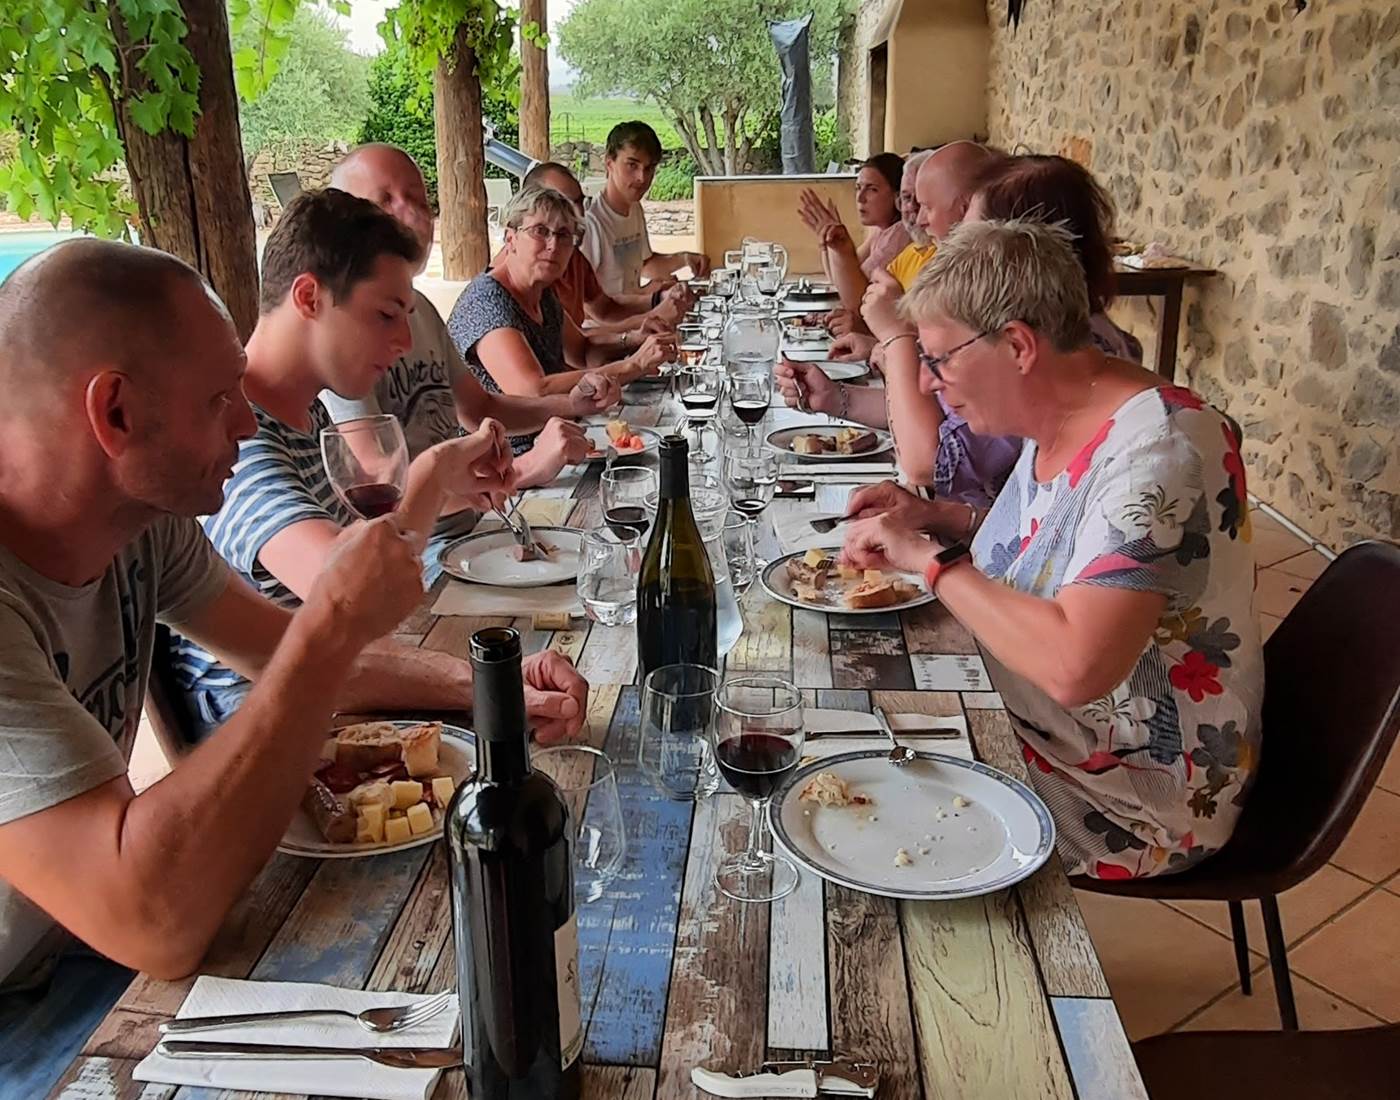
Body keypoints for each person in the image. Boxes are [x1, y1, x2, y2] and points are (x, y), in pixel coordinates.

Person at [0, 239, 586, 1015]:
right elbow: (155, 924)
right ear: (115, 412)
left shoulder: (141, 524)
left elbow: (287, 654)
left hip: (87, 952)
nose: (247, 424)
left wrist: (488, 686)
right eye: (218, 400)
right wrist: (332, 625)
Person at [842, 219, 1261, 879]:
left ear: (1016, 345)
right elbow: (1051, 546)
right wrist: (937, 516)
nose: (927, 384)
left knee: (869, 810)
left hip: (1135, 793)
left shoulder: (1160, 451)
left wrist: (932, 561)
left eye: (939, 359)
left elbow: (1076, 667)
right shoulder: (1062, 404)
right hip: (1044, 718)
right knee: (849, 717)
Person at [170, 189, 588, 736]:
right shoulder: (241, 446)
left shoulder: (311, 418)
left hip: (346, 701)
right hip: (282, 751)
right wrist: (432, 475)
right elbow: (353, 597)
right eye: (387, 315)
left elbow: (343, 646)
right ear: (309, 298)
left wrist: (490, 679)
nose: (404, 341)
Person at [324, 144, 620, 532]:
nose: (410, 213)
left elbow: (479, 406)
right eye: (385, 199)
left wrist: (571, 403)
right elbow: (379, 487)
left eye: (417, 198)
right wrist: (523, 468)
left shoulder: (422, 309)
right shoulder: (338, 330)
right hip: (422, 546)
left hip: (480, 520)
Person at [778, 142, 1018, 504]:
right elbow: (940, 413)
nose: (917, 217)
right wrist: (836, 398)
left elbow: (930, 461)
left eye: (924, 204)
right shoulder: (941, 269)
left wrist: (896, 340)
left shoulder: (999, 315)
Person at [448, 187, 673, 443]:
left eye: (564, 235)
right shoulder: (486, 302)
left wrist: (635, 339)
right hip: (501, 459)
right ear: (510, 238)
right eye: (540, 231)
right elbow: (532, 391)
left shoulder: (541, 292)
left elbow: (583, 350)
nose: (553, 245)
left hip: (554, 438)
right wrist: (632, 366)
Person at [965, 153, 1143, 362]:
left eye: (970, 236)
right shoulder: (1053, 326)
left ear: (1019, 249)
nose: (962, 250)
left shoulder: (1056, 351)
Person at [521, 160, 690, 341]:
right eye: (563, 204)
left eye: (579, 202)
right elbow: (574, 343)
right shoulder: (528, 274)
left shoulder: (571, 253)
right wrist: (642, 326)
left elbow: (604, 308)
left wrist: (659, 298)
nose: (578, 212)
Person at [581, 121, 710, 297]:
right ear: (609, 163)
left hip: (636, 319)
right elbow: (583, 304)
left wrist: (684, 259)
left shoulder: (635, 209)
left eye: (649, 168)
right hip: (611, 322)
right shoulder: (592, 222)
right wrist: (649, 295)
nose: (642, 177)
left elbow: (644, 265)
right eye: (632, 165)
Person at [796, 152, 908, 318]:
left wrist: (840, 249)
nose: (860, 198)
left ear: (897, 196)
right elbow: (839, 280)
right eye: (858, 188)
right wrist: (829, 242)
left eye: (872, 189)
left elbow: (858, 300)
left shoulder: (899, 235)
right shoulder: (879, 231)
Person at [885, 150, 938, 291]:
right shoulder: (911, 253)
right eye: (906, 197)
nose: (912, 207)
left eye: (921, 198)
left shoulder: (954, 260)